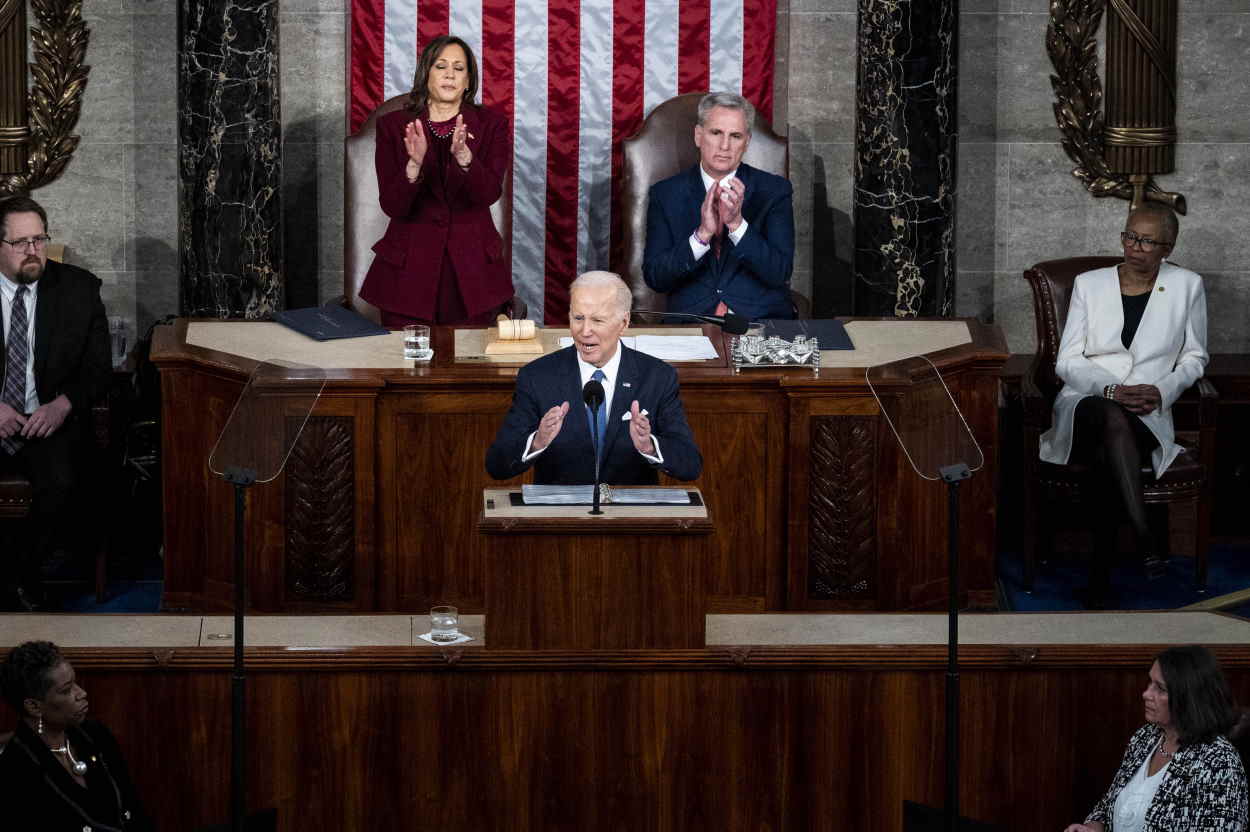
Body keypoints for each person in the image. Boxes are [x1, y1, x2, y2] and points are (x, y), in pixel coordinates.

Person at [1038, 203, 1206, 603]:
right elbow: (1067, 361)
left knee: (1107, 455)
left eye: (1147, 241)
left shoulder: (1187, 285)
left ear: (1168, 246)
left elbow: (1195, 357)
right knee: (1110, 419)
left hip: (1147, 412)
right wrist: (1110, 390)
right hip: (1087, 404)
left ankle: (1099, 581)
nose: (1134, 247)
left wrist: (1162, 390)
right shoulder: (1089, 284)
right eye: (1129, 236)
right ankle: (1144, 534)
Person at [0, 195, 112, 611]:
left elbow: (100, 369)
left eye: (40, 239)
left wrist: (62, 405)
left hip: (46, 421)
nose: (33, 251)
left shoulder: (79, 289)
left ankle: (21, 579)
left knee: (62, 483)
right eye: (20, 243)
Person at [486, 271, 702, 484]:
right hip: (561, 516)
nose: (585, 331)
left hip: (630, 516)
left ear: (624, 323)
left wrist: (649, 446)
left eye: (598, 320)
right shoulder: (538, 376)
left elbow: (690, 465)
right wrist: (537, 441)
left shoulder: (657, 377)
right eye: (578, 318)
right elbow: (497, 465)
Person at [359, 35, 513, 326]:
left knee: (470, 368)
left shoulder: (492, 125)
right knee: (404, 367)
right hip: (407, 277)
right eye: (441, 66)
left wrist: (466, 159)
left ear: (469, 80)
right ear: (426, 73)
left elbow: (488, 193)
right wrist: (414, 165)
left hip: (473, 274)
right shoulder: (393, 127)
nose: (450, 75)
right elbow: (393, 205)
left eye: (459, 68)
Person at [642, 91, 795, 322]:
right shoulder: (665, 194)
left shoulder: (774, 191)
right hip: (690, 323)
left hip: (758, 321)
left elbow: (779, 272)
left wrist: (737, 225)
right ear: (698, 135)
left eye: (735, 136)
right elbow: (656, 278)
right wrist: (701, 236)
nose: (725, 145)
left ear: (747, 142)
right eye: (716, 133)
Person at [1064, 645, 1247, 832]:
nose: (1146, 694)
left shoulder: (1219, 763)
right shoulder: (1145, 737)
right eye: (1150, 683)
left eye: (1160, 689)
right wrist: (1092, 828)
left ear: (1190, 697)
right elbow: (1107, 807)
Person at [0, 641, 154, 830]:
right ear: (34, 706)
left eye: (75, 683)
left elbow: (133, 807)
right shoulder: (16, 769)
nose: (82, 693)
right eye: (66, 690)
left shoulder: (95, 734)